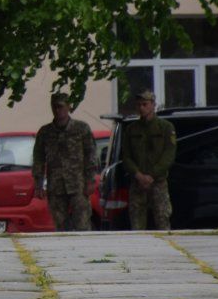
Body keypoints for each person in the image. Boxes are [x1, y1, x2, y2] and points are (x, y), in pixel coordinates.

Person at [33, 92, 100, 232]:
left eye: (60, 106)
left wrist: (91, 180)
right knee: (60, 227)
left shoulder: (81, 129)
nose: (57, 110)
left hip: (78, 185)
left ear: (68, 107)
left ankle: (84, 251)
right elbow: (38, 158)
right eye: (54, 107)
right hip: (56, 186)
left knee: (82, 224)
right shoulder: (45, 132)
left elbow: (91, 154)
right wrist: (38, 183)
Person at [116, 90, 175, 230]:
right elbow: (127, 156)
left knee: (163, 221)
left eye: (145, 104)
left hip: (158, 182)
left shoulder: (165, 127)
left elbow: (169, 155)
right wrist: (138, 175)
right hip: (137, 183)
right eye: (139, 105)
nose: (141, 108)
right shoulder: (131, 129)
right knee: (136, 224)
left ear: (153, 105)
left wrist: (151, 175)